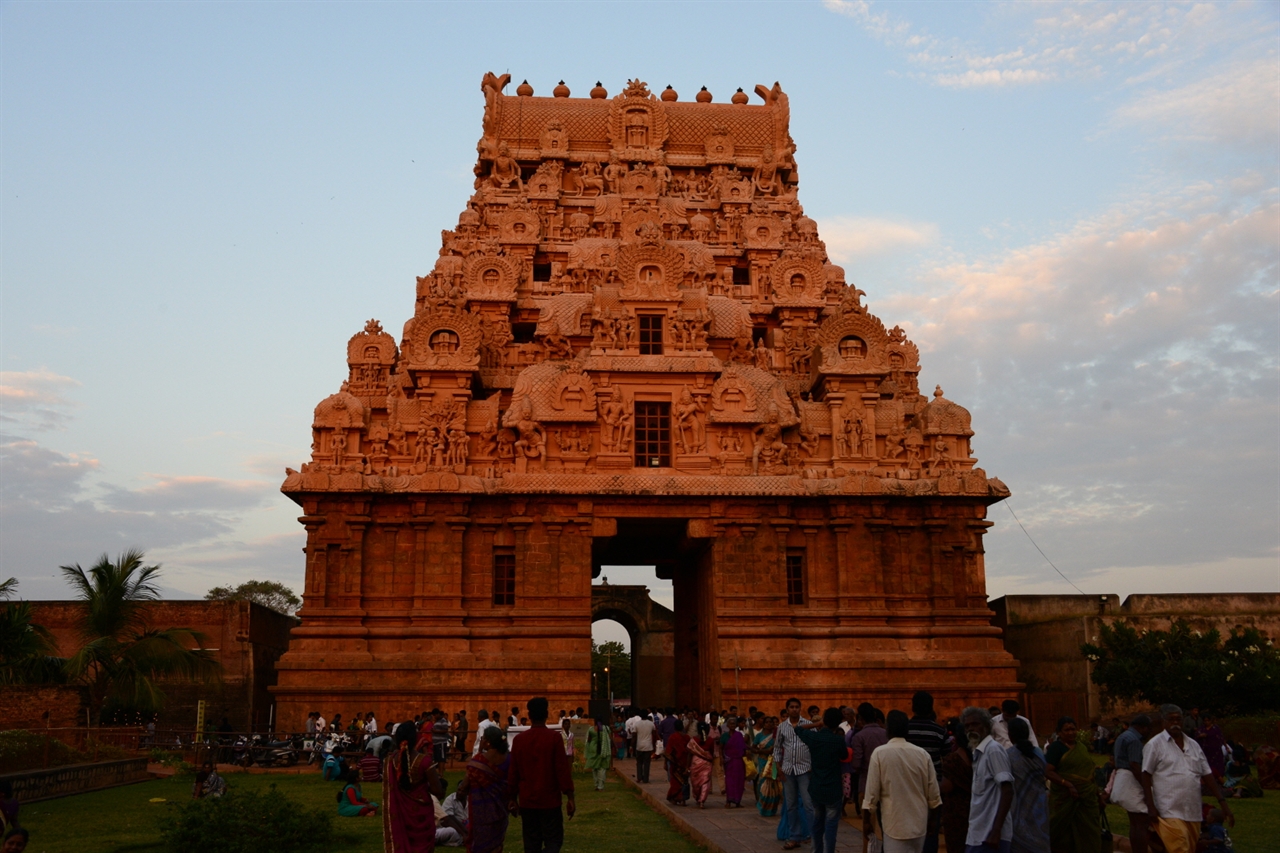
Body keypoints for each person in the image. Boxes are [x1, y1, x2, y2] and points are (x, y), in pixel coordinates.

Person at [1141, 704, 1233, 853]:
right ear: (1163, 721)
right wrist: (1151, 806)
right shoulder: (1154, 745)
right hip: (1168, 809)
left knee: (1190, 848)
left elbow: (1207, 774)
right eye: (1171, 720)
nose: (1175, 723)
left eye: (1178, 719)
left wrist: (1223, 803)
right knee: (1179, 848)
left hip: (1192, 809)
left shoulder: (1194, 745)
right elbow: (1145, 775)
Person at [861, 709, 942, 853]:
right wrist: (933, 821)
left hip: (894, 823)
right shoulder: (922, 755)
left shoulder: (880, 754)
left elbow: (871, 794)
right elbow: (934, 795)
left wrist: (867, 821)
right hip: (919, 823)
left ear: (888, 729)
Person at [509, 697, 575, 853]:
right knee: (554, 842)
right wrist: (570, 796)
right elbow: (562, 770)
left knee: (531, 844)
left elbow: (513, 772)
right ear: (546, 715)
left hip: (527, 801)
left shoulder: (519, 740)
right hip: (550, 802)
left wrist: (512, 798)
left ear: (530, 716)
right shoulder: (554, 738)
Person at [795, 707, 853, 853]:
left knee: (817, 823)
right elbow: (844, 755)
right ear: (839, 723)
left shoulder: (814, 737)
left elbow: (798, 729)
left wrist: (817, 724)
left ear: (824, 720)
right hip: (833, 788)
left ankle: (816, 850)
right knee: (831, 826)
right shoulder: (838, 741)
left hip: (816, 786)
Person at [383, 720, 445, 853]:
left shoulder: (389, 761)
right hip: (422, 818)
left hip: (400, 819)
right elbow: (438, 792)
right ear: (415, 739)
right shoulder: (424, 761)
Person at [1043, 716, 1100, 853]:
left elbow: (1089, 772)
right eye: (1066, 730)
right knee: (1063, 837)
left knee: (1089, 832)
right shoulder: (1056, 748)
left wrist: (1098, 795)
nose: (1070, 733)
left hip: (1086, 798)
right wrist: (1067, 784)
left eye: (1073, 729)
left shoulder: (1081, 747)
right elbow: (1048, 771)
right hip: (1065, 799)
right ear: (1059, 732)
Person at [962, 706, 1013, 853]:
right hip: (978, 833)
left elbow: (1007, 790)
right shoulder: (978, 753)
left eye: (975, 724)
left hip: (990, 835)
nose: (971, 729)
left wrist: (996, 830)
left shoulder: (993, 750)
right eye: (967, 726)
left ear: (986, 726)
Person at [906, 692, 948, 853]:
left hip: (908, 786)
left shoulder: (906, 730)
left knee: (909, 830)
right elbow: (947, 759)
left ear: (913, 706)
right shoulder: (939, 731)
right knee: (931, 831)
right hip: (933, 786)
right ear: (931, 707)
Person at [461, 726, 511, 853]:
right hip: (501, 809)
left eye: (483, 738)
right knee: (496, 843)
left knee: (480, 844)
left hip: (481, 812)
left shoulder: (478, 762)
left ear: (488, 742)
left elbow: (463, 787)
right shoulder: (508, 758)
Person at [774, 697, 814, 851]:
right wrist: (779, 768)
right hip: (788, 770)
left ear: (800, 708)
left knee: (808, 804)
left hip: (805, 770)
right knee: (791, 805)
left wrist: (812, 765)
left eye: (797, 707)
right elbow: (777, 748)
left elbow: (815, 744)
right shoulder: (782, 727)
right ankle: (794, 836)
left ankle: (813, 835)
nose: (794, 709)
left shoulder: (808, 725)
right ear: (787, 709)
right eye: (791, 707)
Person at [1005, 718, 1049, 853]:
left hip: (1018, 806)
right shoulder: (1038, 752)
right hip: (1040, 805)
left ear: (1010, 735)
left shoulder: (1008, 755)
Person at [1110, 714, 1153, 853]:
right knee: (1141, 822)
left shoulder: (1123, 736)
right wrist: (1146, 787)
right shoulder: (1134, 740)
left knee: (1134, 822)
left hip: (1122, 777)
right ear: (1142, 727)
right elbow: (1134, 765)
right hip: (1131, 779)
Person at [940, 719, 973, 853]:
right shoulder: (980, 756)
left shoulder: (953, 759)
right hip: (977, 809)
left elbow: (947, 786)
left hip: (957, 813)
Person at [851, 703, 888, 807]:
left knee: (868, 817)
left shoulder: (859, 736)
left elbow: (856, 763)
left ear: (861, 718)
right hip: (885, 780)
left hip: (866, 781)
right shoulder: (885, 733)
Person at [722, 715, 747, 808]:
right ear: (727, 725)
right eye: (730, 724)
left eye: (734, 724)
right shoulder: (724, 736)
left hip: (738, 762)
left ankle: (737, 801)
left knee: (739, 781)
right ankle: (728, 800)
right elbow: (721, 748)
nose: (732, 725)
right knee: (729, 781)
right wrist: (721, 758)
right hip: (729, 761)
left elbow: (743, 747)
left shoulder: (739, 735)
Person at [687, 723, 715, 808]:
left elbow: (689, 754)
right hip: (706, 764)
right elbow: (712, 753)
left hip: (695, 763)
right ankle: (702, 801)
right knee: (705, 782)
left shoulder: (693, 740)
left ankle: (698, 798)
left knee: (695, 783)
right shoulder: (710, 740)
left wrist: (687, 766)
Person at [665, 721, 691, 806]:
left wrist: (665, 763)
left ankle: (675, 797)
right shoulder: (687, 737)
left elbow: (668, 752)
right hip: (685, 762)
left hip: (675, 763)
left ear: (674, 728)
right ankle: (683, 799)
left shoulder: (672, 737)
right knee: (684, 781)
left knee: (675, 781)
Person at [1195, 713, 1227, 780]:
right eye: (1205, 721)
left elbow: (1221, 738)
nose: (1206, 722)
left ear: (1210, 721)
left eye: (1208, 721)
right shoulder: (1201, 729)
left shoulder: (1216, 728)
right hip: (1205, 751)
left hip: (1216, 751)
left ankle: (1219, 778)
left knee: (1217, 766)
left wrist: (1226, 747)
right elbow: (1196, 737)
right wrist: (1200, 736)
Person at [585, 716, 611, 791]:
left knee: (594, 768)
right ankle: (600, 786)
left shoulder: (591, 729)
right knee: (602, 768)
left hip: (593, 750)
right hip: (603, 750)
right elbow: (609, 739)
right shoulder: (606, 728)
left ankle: (596, 785)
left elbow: (588, 740)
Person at [633, 712, 657, 784]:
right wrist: (654, 745)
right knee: (647, 763)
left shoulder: (637, 724)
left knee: (639, 762)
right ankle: (646, 779)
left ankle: (639, 777)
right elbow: (654, 734)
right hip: (648, 746)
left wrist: (631, 745)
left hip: (639, 746)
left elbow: (634, 736)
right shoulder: (651, 724)